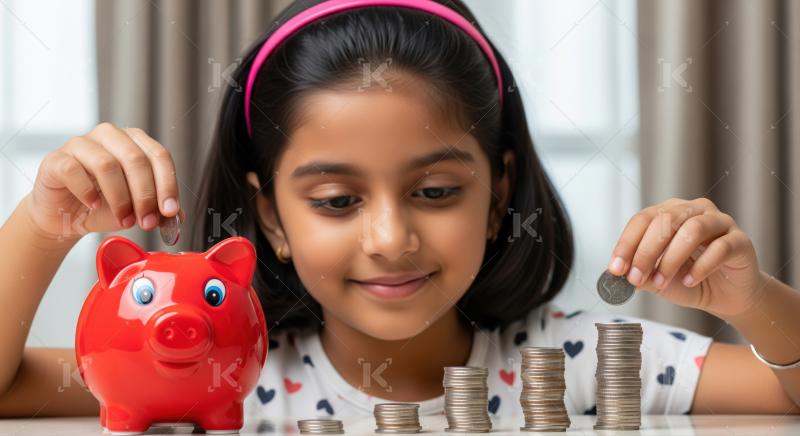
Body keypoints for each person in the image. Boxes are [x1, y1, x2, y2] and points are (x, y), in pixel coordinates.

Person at [1, 0, 798, 424]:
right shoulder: (216, 373)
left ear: (498, 194)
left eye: (437, 192)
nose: (390, 238)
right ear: (269, 217)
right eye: (338, 201)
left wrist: (752, 298)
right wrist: (41, 226)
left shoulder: (574, 360)